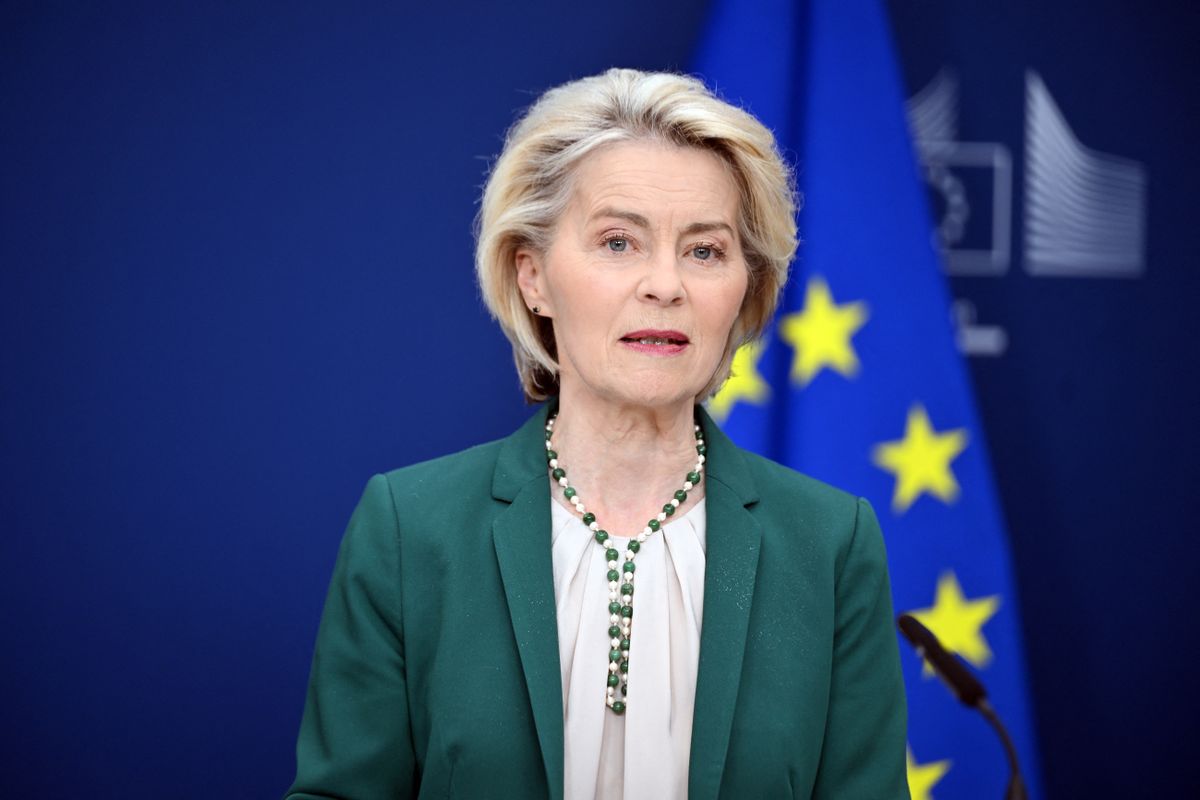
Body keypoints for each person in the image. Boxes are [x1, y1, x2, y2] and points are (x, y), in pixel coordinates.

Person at [285, 68, 909, 800]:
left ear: (747, 291)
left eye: (705, 251)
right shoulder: (409, 530)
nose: (665, 285)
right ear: (533, 277)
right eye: (619, 242)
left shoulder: (831, 543)